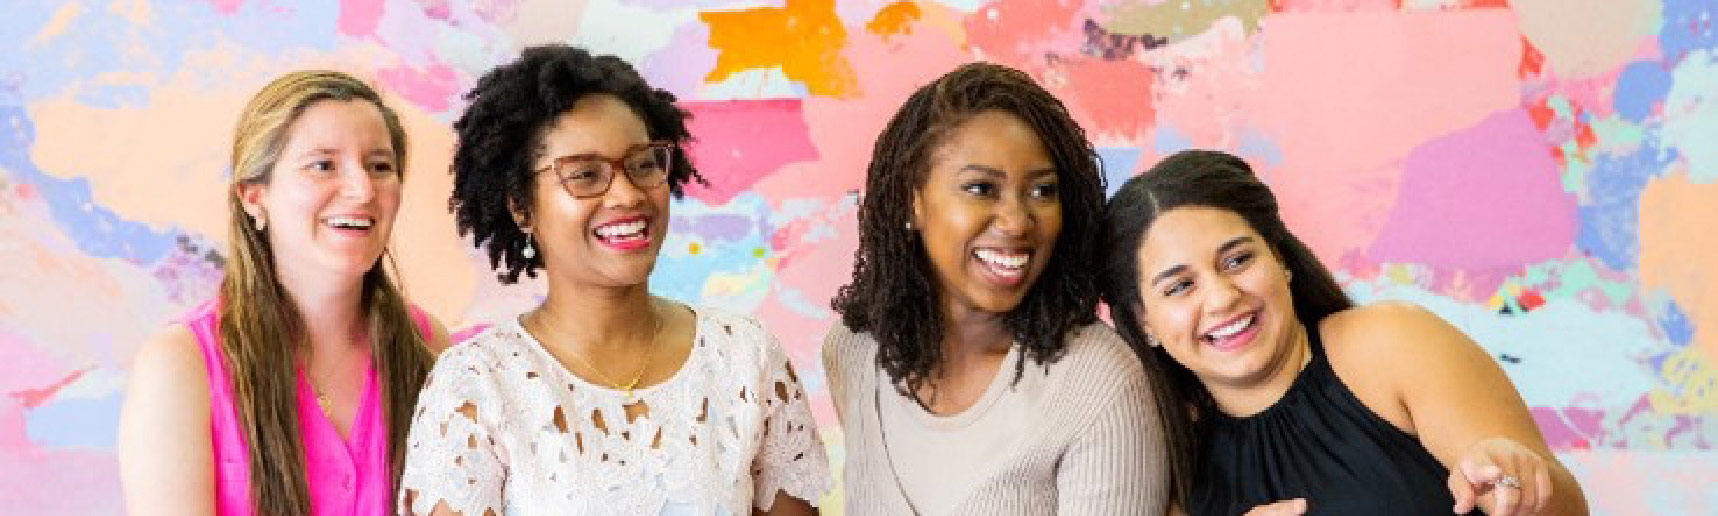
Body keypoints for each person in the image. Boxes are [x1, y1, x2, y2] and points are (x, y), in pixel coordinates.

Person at [397, 44, 830, 516]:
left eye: (643, 164)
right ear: (520, 206)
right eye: (585, 175)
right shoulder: (478, 385)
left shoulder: (746, 358)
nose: (626, 194)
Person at [1099, 149, 1588, 516]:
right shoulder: (1157, 451)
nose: (1223, 297)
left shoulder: (1390, 343)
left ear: (1281, 259)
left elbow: (1568, 510)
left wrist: (1520, 483)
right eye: (1180, 286)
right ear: (1145, 322)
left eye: (1238, 260)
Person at [823, 62, 1169, 515]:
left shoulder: (1098, 381)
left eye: (1043, 191)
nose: (1017, 221)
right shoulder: (853, 353)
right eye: (982, 188)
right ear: (914, 201)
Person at [118, 70, 452, 516]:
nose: (363, 190)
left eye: (380, 166)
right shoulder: (181, 365)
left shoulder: (430, 348)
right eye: (323, 165)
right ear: (254, 196)